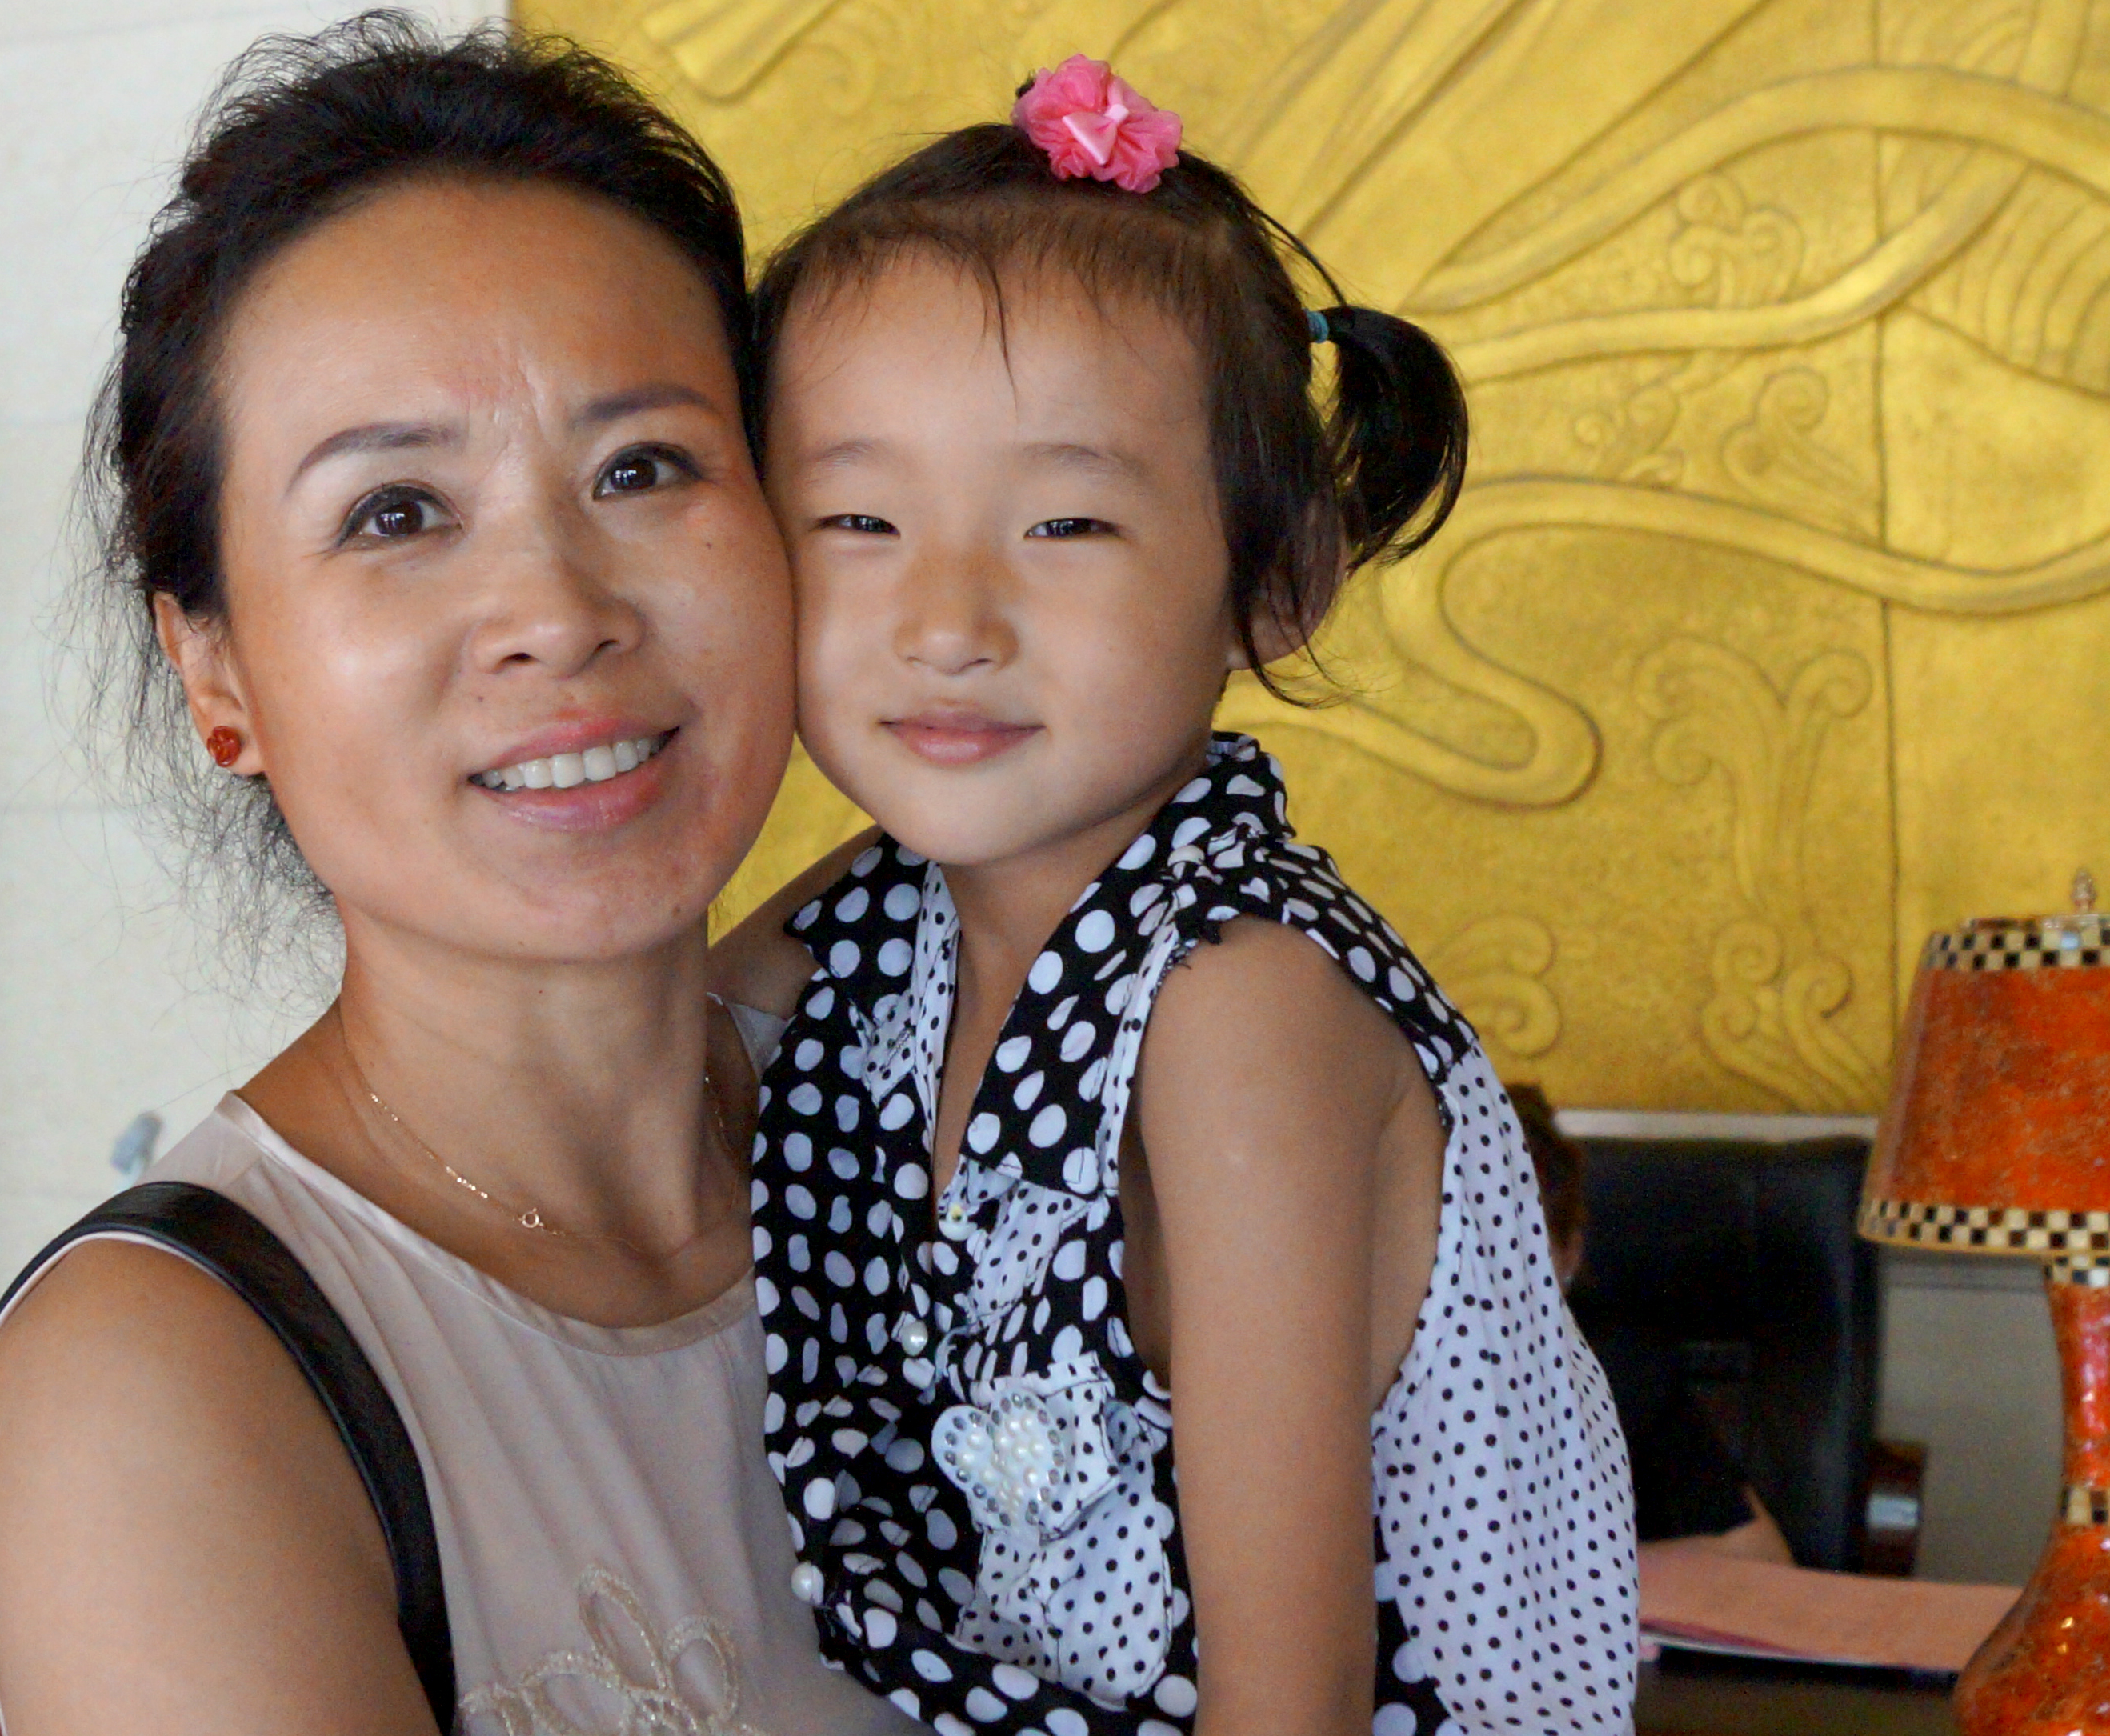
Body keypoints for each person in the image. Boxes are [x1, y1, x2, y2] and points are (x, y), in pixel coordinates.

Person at [0, 18, 923, 1734]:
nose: (557, 610)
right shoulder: (163, 1374)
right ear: (215, 674)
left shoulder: (963, 1095)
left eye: (643, 467)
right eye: (395, 511)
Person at [710, 58, 1640, 1735]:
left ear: (1274, 582)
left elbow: (1290, 1701)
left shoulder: (1237, 1004)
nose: (945, 620)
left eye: (1064, 521)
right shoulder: (891, 917)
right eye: (856, 517)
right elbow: (643, 1059)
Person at [1508, 1084, 1795, 1565]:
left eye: (1519, 1257)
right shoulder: (1383, 1375)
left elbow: (1760, 1554)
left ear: (1571, 1255)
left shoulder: (1617, 1365)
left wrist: (1584, 1572)